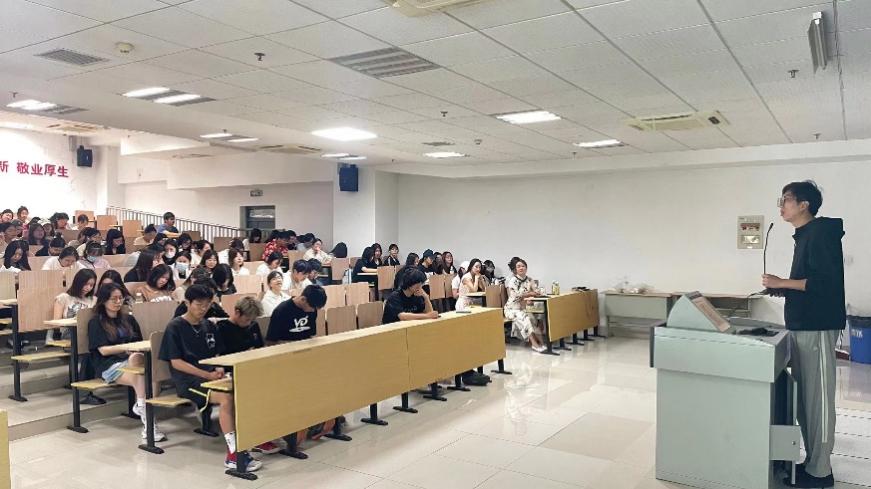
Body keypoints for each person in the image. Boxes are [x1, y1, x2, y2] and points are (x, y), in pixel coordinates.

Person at [762, 181, 845, 489]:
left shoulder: (820, 233)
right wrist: (784, 288)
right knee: (805, 401)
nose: (781, 206)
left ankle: (820, 473)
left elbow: (825, 284)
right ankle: (813, 462)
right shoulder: (806, 235)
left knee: (818, 402)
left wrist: (782, 282)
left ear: (804, 204)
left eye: (786, 200)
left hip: (817, 327)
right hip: (802, 326)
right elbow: (809, 283)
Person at [158, 285, 263, 471]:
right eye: (199, 304)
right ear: (187, 303)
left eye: (207, 305)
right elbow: (176, 362)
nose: (203, 309)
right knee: (226, 398)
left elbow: (217, 354)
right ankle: (233, 454)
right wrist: (207, 374)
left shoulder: (209, 326)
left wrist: (219, 368)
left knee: (247, 390)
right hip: (188, 382)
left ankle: (252, 439)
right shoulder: (175, 327)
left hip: (211, 377)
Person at [88, 283, 165, 441]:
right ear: (103, 300)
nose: (118, 302)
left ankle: (143, 409)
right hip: (109, 365)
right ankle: (147, 417)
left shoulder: (128, 319)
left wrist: (132, 350)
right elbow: (103, 350)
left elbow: (138, 343)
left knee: (152, 373)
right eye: (113, 299)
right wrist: (126, 348)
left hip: (132, 361)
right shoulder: (96, 322)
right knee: (140, 371)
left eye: (120, 298)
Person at [504, 258, 546, 353]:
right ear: (515, 269)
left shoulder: (530, 280)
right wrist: (530, 293)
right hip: (511, 309)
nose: (521, 268)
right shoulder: (513, 281)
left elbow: (537, 291)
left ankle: (542, 343)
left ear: (526, 268)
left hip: (524, 308)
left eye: (523, 266)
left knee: (533, 319)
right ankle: (534, 344)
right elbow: (515, 296)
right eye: (518, 266)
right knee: (525, 318)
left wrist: (536, 292)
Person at [49, 268, 97, 342]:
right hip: (68, 334)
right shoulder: (63, 297)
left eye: (91, 285)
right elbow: (56, 324)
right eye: (85, 284)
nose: (88, 288)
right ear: (78, 282)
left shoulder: (94, 300)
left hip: (88, 333)